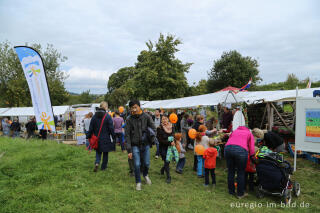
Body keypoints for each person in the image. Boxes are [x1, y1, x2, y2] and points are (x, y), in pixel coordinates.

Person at [125, 100, 156, 191]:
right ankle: (138, 182)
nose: (134, 109)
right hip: (134, 145)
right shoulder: (129, 119)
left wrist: (152, 139)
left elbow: (154, 128)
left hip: (145, 144)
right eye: (132, 108)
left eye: (135, 107)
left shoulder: (146, 117)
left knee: (146, 163)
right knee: (137, 164)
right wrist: (129, 150)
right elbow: (127, 135)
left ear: (139, 106)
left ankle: (145, 174)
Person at [224, 126, 255, 199]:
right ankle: (240, 194)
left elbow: (230, 140)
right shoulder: (249, 133)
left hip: (227, 149)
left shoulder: (234, 131)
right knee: (241, 172)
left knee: (231, 171)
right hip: (241, 150)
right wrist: (252, 156)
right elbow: (252, 147)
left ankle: (231, 191)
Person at [87, 101, 115, 172]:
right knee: (105, 153)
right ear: (105, 107)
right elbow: (111, 128)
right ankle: (103, 167)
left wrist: (88, 136)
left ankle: (97, 163)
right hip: (106, 138)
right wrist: (113, 136)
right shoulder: (108, 116)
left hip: (97, 138)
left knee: (98, 152)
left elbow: (91, 128)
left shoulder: (94, 117)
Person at [157, 115, 175, 183]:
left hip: (170, 147)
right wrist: (169, 142)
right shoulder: (159, 128)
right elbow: (160, 140)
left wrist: (174, 141)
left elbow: (173, 135)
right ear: (161, 120)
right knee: (167, 161)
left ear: (168, 119)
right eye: (163, 119)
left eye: (166, 119)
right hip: (163, 147)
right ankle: (168, 177)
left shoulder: (172, 126)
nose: (164, 120)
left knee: (168, 161)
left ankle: (162, 169)